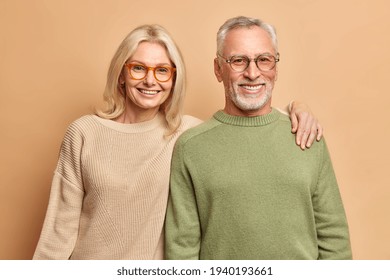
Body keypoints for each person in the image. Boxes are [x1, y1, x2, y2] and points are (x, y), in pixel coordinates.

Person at [33, 24, 323, 260]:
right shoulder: (84, 133)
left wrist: (299, 107)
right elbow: (58, 231)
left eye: (162, 70)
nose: (150, 80)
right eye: (138, 68)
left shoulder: (188, 134)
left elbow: (249, 123)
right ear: (121, 74)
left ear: (174, 79)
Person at [164, 16, 352, 260]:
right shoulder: (191, 147)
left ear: (275, 68)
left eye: (264, 60)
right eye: (238, 61)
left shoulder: (307, 135)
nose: (252, 73)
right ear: (218, 69)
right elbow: (182, 248)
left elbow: (334, 238)